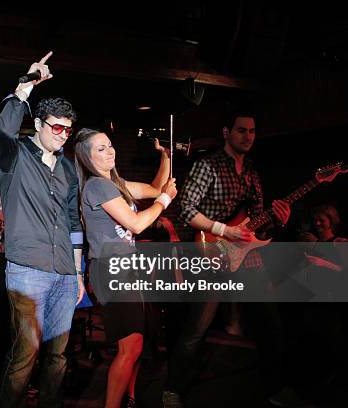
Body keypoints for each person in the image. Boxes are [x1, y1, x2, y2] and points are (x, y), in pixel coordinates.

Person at [163, 108, 293, 408]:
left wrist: (278, 219)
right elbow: (185, 210)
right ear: (226, 132)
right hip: (212, 252)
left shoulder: (252, 172)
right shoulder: (208, 165)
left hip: (247, 257)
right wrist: (225, 231)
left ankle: (275, 387)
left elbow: (258, 221)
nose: (248, 136)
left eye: (252, 131)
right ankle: (172, 389)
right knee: (197, 328)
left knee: (270, 322)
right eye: (241, 130)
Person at [0, 51, 85, 408]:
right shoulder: (14, 155)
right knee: (25, 356)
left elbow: (73, 222)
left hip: (64, 270)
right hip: (27, 271)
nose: (63, 135)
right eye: (57, 128)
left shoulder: (67, 170)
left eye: (68, 129)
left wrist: (77, 272)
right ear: (40, 125)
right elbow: (5, 125)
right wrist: (26, 84)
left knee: (58, 358)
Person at [74, 128, 176, 408]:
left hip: (126, 267)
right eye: (101, 149)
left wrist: (165, 156)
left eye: (110, 145)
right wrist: (164, 201)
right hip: (110, 269)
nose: (110, 151)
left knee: (137, 346)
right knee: (129, 347)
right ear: (86, 157)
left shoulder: (116, 184)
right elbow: (137, 223)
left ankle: (128, 400)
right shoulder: (96, 185)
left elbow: (155, 188)